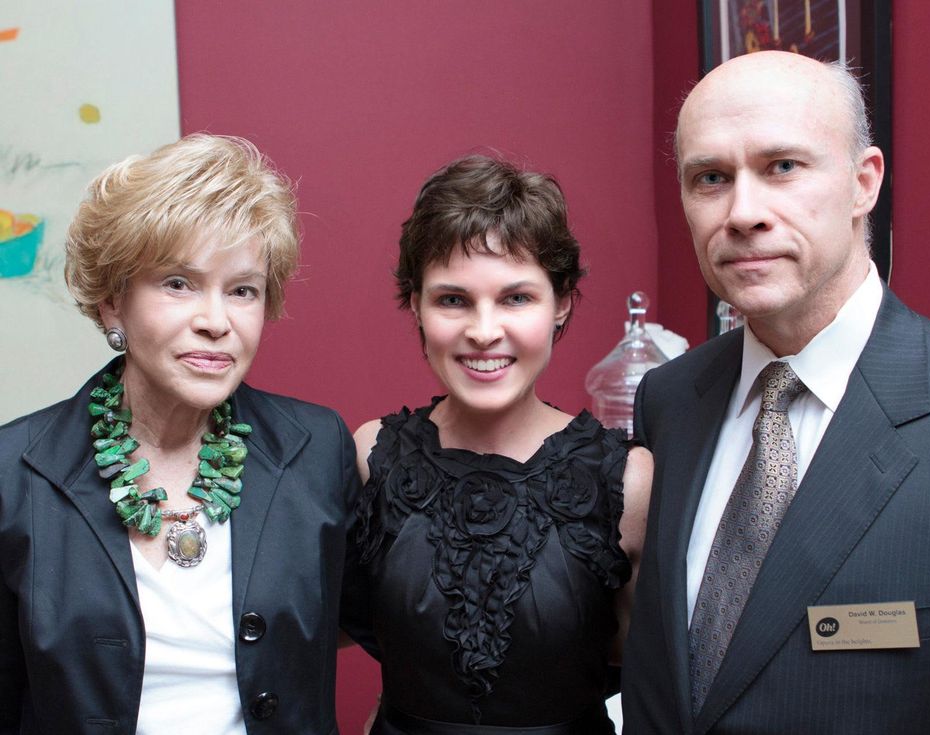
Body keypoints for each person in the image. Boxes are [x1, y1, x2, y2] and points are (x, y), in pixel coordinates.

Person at [621, 50, 930, 734]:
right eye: (710, 178)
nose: (743, 212)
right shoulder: (669, 399)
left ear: (863, 183)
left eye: (782, 166)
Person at [0, 134, 360, 733]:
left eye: (242, 290)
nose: (216, 321)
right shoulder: (15, 471)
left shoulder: (317, 449)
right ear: (113, 302)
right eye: (178, 283)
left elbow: (360, 624)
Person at [347, 155, 652, 734]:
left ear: (561, 302)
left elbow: (649, 671)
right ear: (416, 305)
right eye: (452, 299)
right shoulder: (372, 455)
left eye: (516, 298)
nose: (484, 331)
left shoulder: (628, 480)